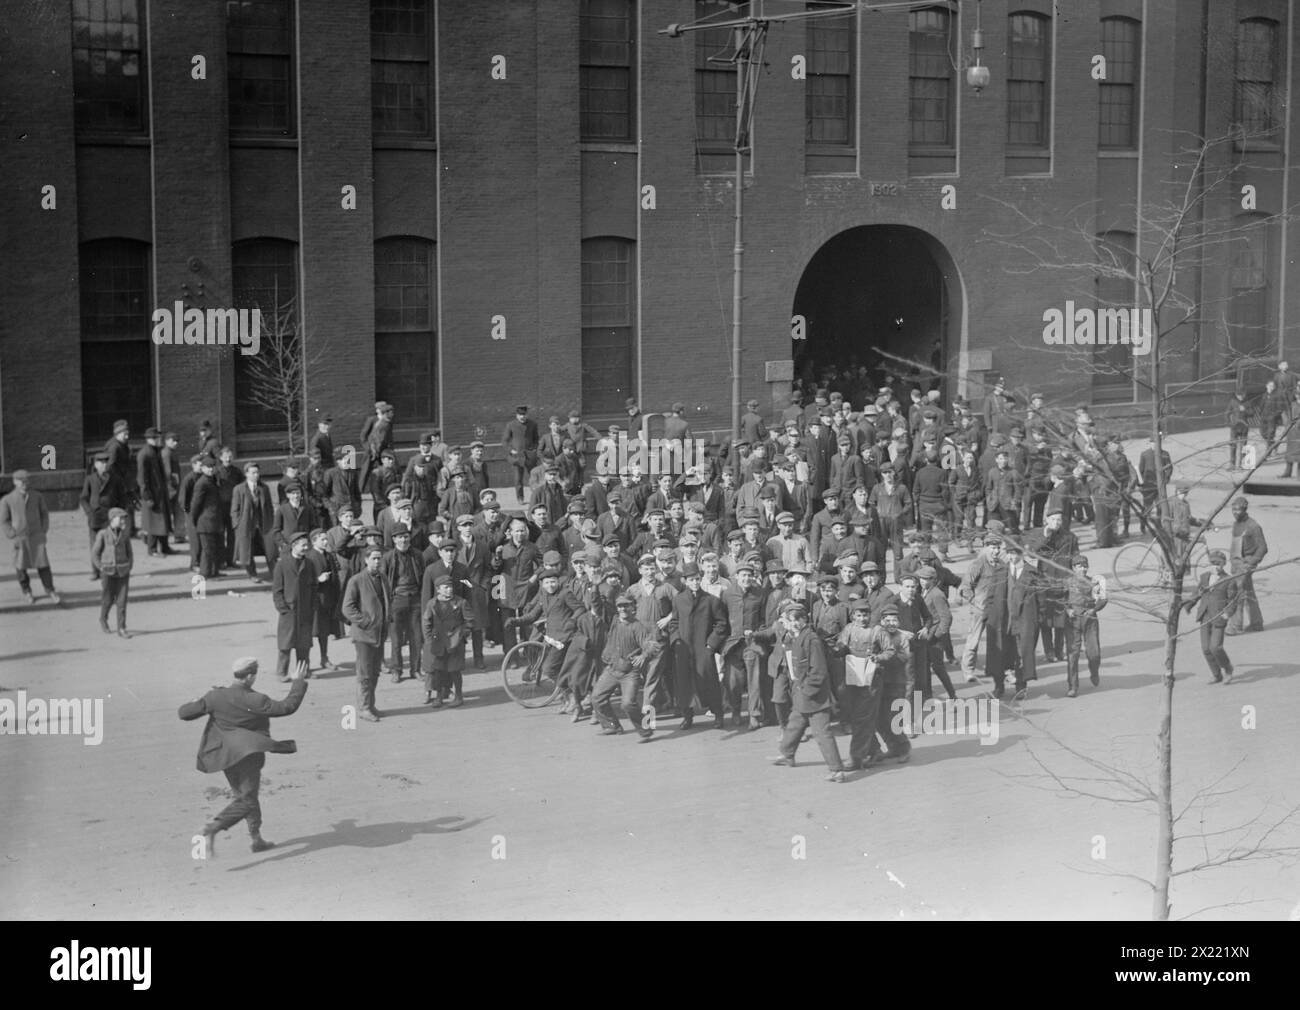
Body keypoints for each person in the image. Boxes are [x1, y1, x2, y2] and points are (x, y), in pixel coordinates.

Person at [179, 656, 307, 855]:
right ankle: (214, 827)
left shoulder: (215, 696)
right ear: (249, 677)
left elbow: (184, 713)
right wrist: (298, 681)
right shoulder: (256, 699)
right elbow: (287, 707)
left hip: (225, 757)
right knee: (247, 800)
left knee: (244, 797)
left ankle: (256, 839)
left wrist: (196, 701)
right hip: (248, 756)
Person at [768, 602, 846, 782]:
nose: (795, 623)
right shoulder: (796, 636)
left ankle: (837, 770)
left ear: (805, 620)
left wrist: (806, 690)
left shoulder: (811, 639)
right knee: (795, 723)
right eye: (791, 619)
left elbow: (818, 671)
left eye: (799, 619)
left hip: (814, 694)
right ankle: (787, 754)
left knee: (822, 732)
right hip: (803, 692)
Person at [668, 562, 729, 730]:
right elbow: (673, 623)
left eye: (697, 579)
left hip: (703, 648)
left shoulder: (711, 601)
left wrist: (711, 645)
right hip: (684, 649)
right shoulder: (679, 600)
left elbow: (721, 624)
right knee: (684, 684)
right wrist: (676, 641)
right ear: (685, 581)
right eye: (691, 580)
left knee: (710, 681)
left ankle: (718, 714)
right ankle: (687, 716)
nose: (694, 583)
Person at [591, 593, 659, 739]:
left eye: (626, 605)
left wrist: (643, 655)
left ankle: (645, 730)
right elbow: (597, 606)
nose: (623, 609)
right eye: (620, 606)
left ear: (633, 607)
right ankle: (611, 726)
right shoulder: (614, 620)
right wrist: (595, 588)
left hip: (629, 673)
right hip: (611, 669)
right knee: (597, 698)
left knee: (628, 704)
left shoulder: (637, 627)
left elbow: (651, 645)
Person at [343, 546, 391, 721]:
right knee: (364, 673)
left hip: (379, 634)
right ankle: (363, 708)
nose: (377, 562)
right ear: (365, 560)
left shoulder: (382, 578)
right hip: (364, 635)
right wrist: (364, 621)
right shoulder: (356, 580)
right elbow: (347, 608)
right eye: (374, 559)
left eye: (379, 559)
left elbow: (386, 602)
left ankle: (371, 705)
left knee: (375, 671)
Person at [0, 469, 58, 605]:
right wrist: (11, 533)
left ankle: (50, 590)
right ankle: (27, 592)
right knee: (21, 567)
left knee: (44, 565)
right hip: (20, 538)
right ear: (15, 482)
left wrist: (43, 530)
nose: (24, 484)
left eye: (26, 481)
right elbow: (4, 520)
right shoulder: (7, 499)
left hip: (37, 537)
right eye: (21, 481)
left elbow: (44, 514)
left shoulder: (37, 496)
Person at [1182, 550, 1239, 683]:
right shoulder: (1204, 577)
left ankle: (1228, 668)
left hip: (1219, 616)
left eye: (1218, 564)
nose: (1216, 566)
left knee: (1216, 647)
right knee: (1206, 648)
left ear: (1224, 564)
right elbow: (1197, 593)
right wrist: (1188, 605)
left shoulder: (1229, 580)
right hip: (1205, 615)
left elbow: (1233, 599)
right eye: (1213, 563)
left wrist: (1228, 613)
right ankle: (1216, 674)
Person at [381, 524, 426, 683]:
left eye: (406, 536)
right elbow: (384, 582)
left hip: (415, 599)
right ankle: (397, 670)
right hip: (397, 600)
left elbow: (424, 579)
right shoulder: (387, 558)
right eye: (400, 537)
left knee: (416, 637)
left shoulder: (418, 555)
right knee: (396, 639)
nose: (404, 540)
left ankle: (416, 670)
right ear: (394, 539)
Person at [272, 531, 317, 682]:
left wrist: (312, 606)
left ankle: (304, 671)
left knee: (304, 644)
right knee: (285, 644)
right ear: (294, 546)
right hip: (289, 611)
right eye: (303, 545)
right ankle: (281, 673)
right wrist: (283, 609)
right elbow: (277, 590)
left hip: (305, 610)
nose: (306, 548)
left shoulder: (309, 563)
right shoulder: (282, 564)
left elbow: (314, 586)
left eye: (307, 545)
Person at [422, 574, 469, 706]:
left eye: (451, 587)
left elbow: (470, 622)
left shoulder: (461, 603)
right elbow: (426, 622)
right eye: (446, 587)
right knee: (439, 670)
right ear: (438, 589)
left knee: (455, 670)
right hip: (439, 642)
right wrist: (429, 640)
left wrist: (461, 635)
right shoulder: (432, 604)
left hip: (455, 643)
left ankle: (459, 696)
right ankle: (439, 697)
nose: (449, 590)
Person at [1063, 554, 1106, 697]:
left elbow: (1103, 599)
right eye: (1080, 566)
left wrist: (1094, 609)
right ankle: (1073, 686)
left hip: (1090, 619)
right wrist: (1067, 610)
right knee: (1072, 655)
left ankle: (1094, 671)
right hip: (1073, 621)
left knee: (1094, 653)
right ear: (1074, 568)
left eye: (1085, 566)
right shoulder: (1067, 582)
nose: (1083, 569)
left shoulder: (1093, 582)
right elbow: (1059, 600)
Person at [81, 451, 127, 581]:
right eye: (101, 462)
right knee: (95, 545)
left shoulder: (115, 478)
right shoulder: (90, 479)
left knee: (111, 543)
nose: (105, 465)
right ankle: (95, 570)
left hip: (110, 517)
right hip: (95, 517)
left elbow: (122, 497)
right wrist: (90, 512)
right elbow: (84, 498)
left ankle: (111, 568)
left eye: (106, 462)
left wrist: (118, 513)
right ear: (95, 465)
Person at [1225, 497, 1267, 635]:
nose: (1235, 512)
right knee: (1248, 593)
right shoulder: (1236, 524)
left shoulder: (1254, 526)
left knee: (1237, 593)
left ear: (1245, 509)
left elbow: (1263, 548)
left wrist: (1251, 562)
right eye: (1233, 510)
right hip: (1236, 563)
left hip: (1246, 564)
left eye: (1238, 510)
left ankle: (1235, 626)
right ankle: (1257, 623)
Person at [231, 461, 276, 581]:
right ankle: (252, 574)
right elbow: (234, 509)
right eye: (253, 472)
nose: (256, 475)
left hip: (263, 524)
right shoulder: (239, 489)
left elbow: (269, 507)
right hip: (246, 525)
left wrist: (271, 522)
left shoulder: (264, 488)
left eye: (257, 472)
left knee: (270, 549)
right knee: (247, 550)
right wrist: (237, 524)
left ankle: (275, 573)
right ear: (246, 474)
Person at [305, 527, 343, 671]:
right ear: (314, 541)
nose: (326, 541)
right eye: (323, 539)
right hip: (315, 601)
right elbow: (303, 580)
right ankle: (306, 663)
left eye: (326, 538)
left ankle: (324, 658)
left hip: (328, 599)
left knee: (324, 631)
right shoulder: (309, 557)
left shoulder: (329, 555)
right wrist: (318, 579)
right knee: (309, 632)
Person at [92, 507, 133, 637]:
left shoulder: (125, 534)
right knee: (107, 599)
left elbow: (129, 552)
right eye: (120, 518)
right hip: (108, 572)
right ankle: (103, 619)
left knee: (122, 600)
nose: (123, 521)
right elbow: (95, 554)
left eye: (123, 518)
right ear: (112, 519)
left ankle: (122, 628)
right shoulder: (103, 534)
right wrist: (101, 567)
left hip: (123, 571)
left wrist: (129, 566)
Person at [137, 427, 174, 555]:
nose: (158, 440)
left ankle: (165, 547)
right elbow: (142, 478)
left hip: (160, 492)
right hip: (152, 493)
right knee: (154, 522)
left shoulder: (156, 451)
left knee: (163, 521)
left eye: (158, 437)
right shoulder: (145, 454)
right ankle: (152, 549)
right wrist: (147, 497)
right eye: (155, 438)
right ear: (149, 439)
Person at [188, 456, 224, 579]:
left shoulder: (211, 480)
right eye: (208, 467)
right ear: (202, 468)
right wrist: (193, 518)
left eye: (213, 467)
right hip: (205, 521)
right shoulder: (202, 483)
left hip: (213, 521)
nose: (211, 469)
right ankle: (205, 573)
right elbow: (195, 503)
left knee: (213, 548)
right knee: (207, 549)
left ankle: (213, 571)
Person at [502, 404, 541, 500]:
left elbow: (536, 439)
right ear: (517, 415)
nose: (522, 417)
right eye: (520, 415)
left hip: (530, 455)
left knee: (533, 476)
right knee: (518, 478)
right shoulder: (511, 425)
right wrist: (511, 450)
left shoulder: (533, 424)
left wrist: (534, 449)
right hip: (517, 456)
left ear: (527, 414)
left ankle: (536, 495)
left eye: (524, 414)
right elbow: (505, 441)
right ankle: (520, 497)